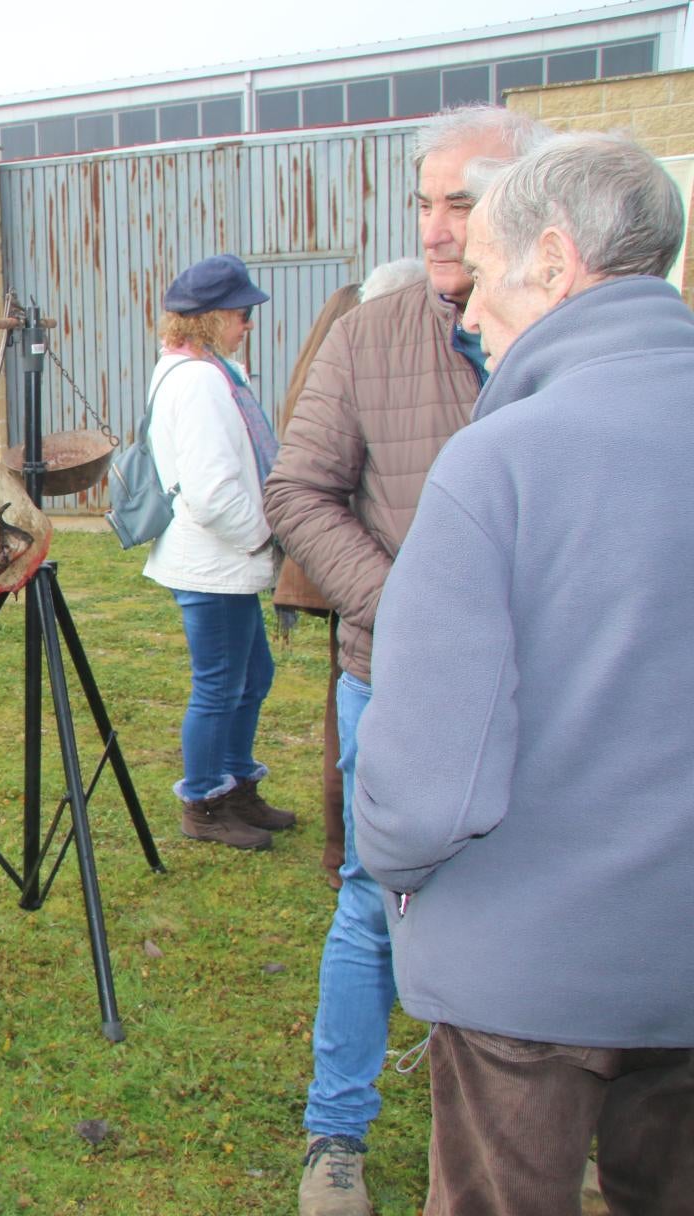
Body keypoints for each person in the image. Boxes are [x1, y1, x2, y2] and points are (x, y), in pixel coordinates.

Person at [355, 130, 694, 1216]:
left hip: (525, 981)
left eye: (487, 273)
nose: (466, 310)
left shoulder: (498, 462)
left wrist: (394, 866)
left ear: (554, 262)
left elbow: (428, 788)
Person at [260, 103, 546, 1216]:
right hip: (396, 677)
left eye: (462, 202)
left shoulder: (564, 338)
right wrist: (412, 608)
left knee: (532, 901)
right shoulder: (367, 336)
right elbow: (297, 489)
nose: (437, 227)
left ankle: (519, 1129)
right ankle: (336, 1139)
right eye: (426, 201)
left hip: (550, 686)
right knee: (373, 903)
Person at [269, 259, 426, 890]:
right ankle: (345, 851)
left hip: (355, 574)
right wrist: (382, 593)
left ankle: (347, 850)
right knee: (350, 701)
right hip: (359, 573)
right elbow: (301, 484)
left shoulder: (347, 343)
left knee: (345, 702)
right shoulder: (359, 354)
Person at [142, 253, 294, 852]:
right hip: (217, 561)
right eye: (239, 313)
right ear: (207, 320)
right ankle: (203, 802)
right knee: (221, 685)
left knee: (251, 676)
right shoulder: (201, 380)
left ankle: (233, 789)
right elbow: (210, 493)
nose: (248, 323)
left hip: (222, 560)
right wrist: (264, 536)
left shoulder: (204, 370)